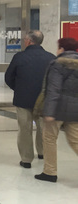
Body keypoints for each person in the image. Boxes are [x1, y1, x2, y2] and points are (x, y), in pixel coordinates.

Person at [5, 30, 55, 168]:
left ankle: (26, 159)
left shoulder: (19, 57)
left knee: (25, 129)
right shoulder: (51, 57)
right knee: (43, 128)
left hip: (23, 100)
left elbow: (8, 77)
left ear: (28, 41)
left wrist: (19, 88)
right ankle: (42, 152)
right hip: (44, 100)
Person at [35, 37, 78, 183]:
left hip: (57, 109)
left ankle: (50, 172)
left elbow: (53, 90)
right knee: (75, 141)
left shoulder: (58, 64)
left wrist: (48, 112)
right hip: (75, 110)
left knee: (49, 139)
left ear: (62, 49)